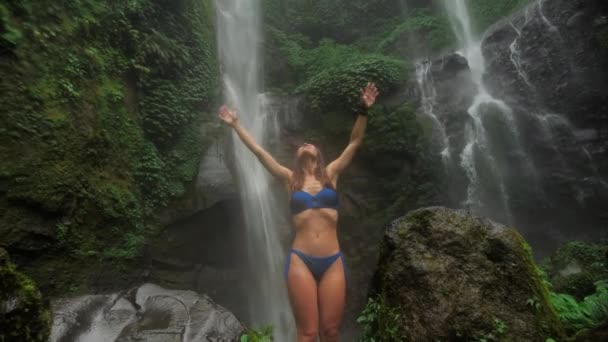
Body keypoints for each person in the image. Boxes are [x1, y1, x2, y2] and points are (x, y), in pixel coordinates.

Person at [218, 82, 379, 342]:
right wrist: (236, 125)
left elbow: (355, 142)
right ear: (297, 155)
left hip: (332, 261)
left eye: (311, 143)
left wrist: (363, 109)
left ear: (319, 154)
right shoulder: (288, 179)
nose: (306, 143)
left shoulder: (331, 175)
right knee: (306, 334)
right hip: (301, 260)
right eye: (302, 143)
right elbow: (259, 152)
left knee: (330, 332)